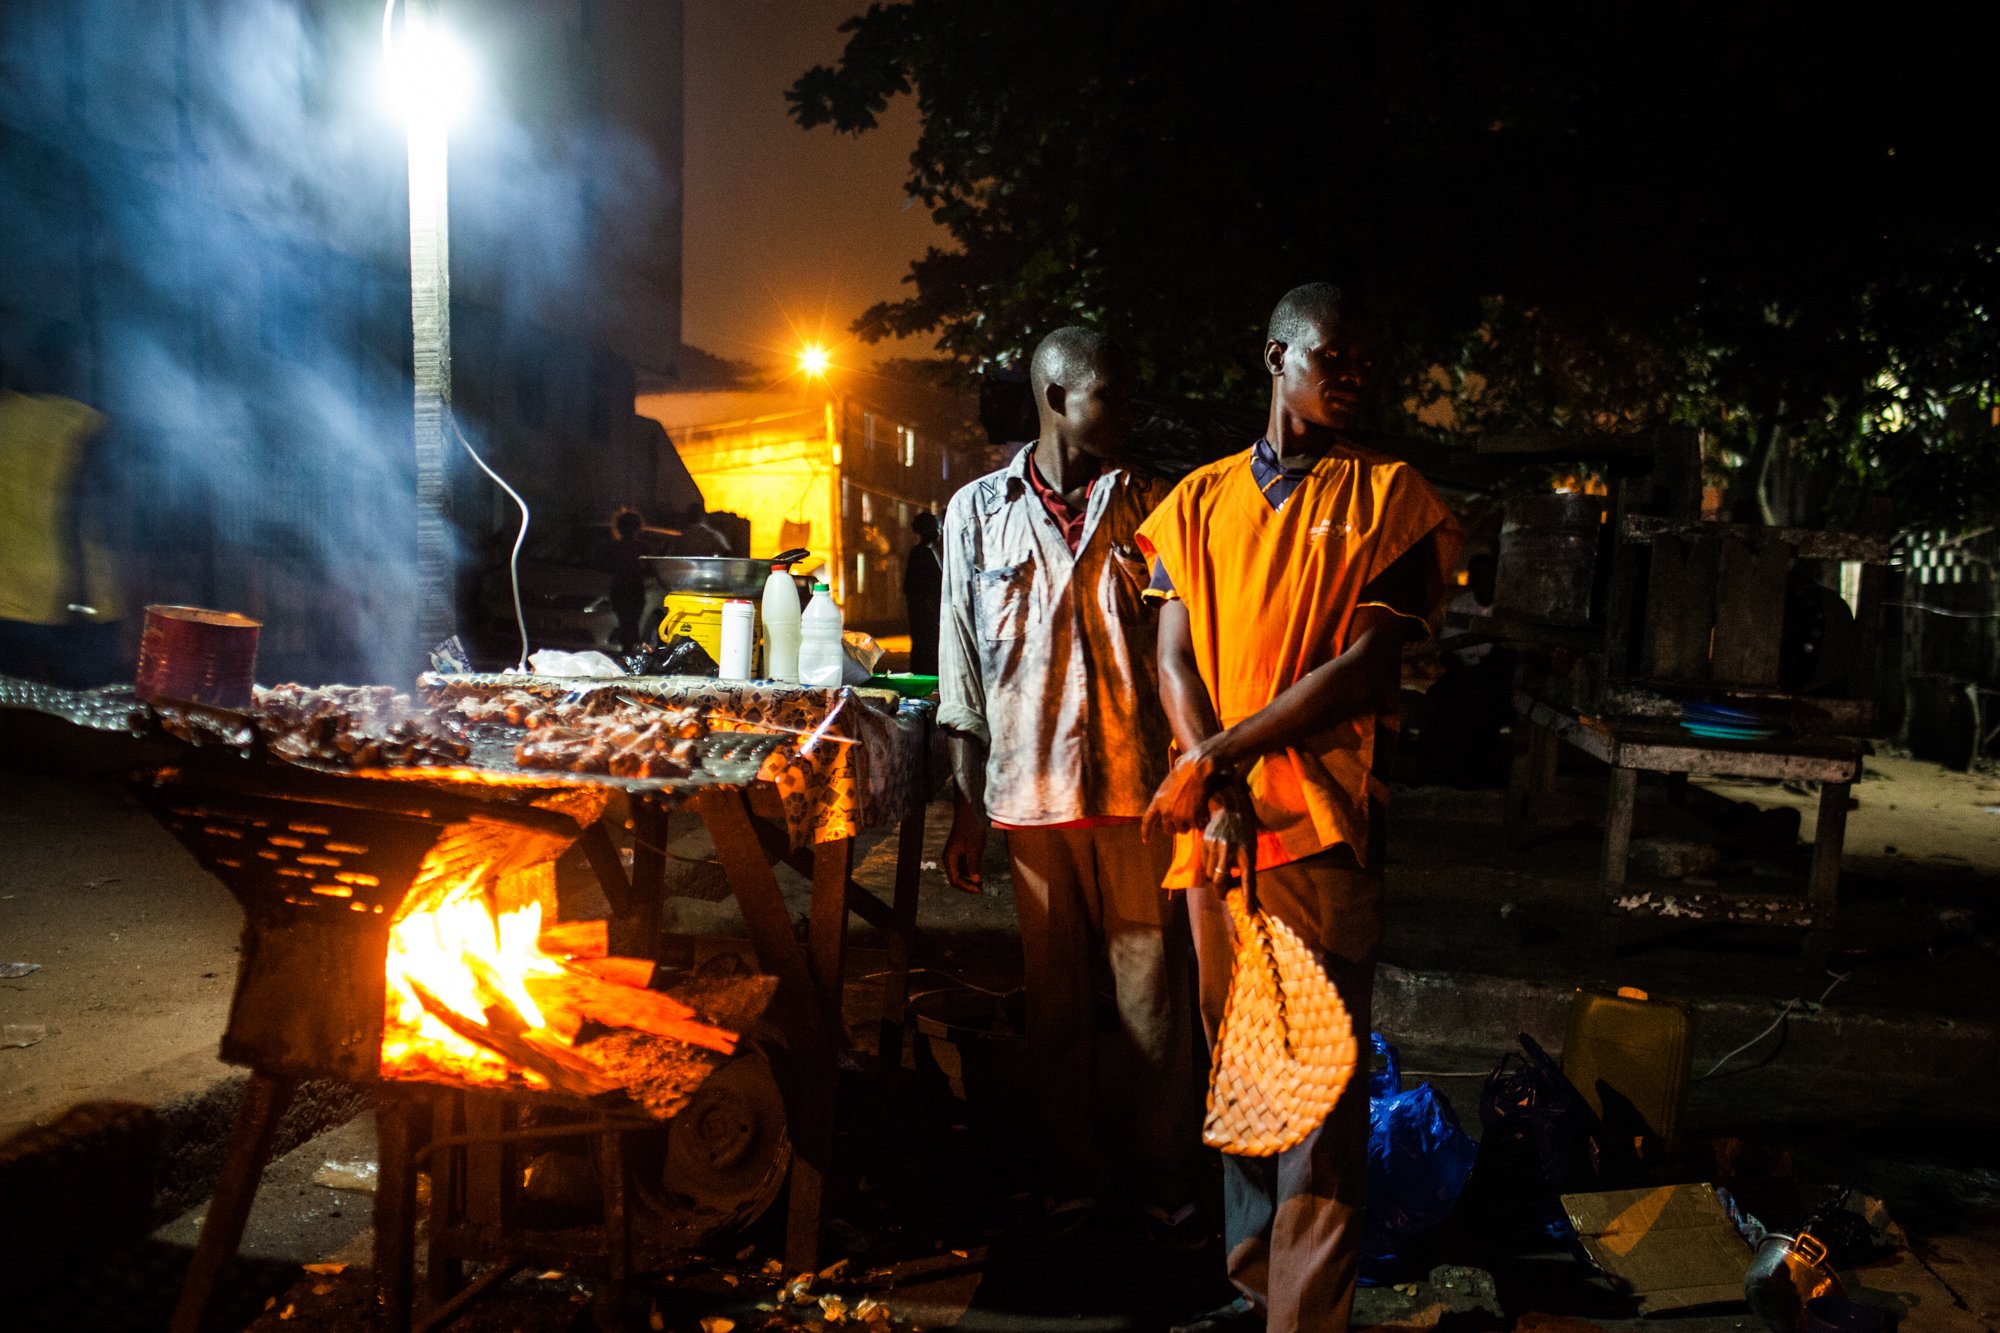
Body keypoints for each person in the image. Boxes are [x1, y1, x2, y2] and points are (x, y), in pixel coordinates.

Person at [1139, 285, 1461, 1332]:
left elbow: (1364, 668)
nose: (1353, 375)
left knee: (1317, 1086)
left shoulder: (1391, 499)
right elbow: (1172, 659)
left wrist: (1218, 757)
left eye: (1366, 360)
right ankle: (1252, 1286)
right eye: (1334, 356)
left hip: (1316, 826)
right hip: (1216, 831)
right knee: (1240, 1072)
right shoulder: (1194, 501)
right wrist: (1213, 778)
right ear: (1275, 356)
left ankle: (1304, 1316)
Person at [936, 326, 1198, 1247]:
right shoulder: (977, 511)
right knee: (1054, 1005)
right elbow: (962, 673)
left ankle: (1162, 1179)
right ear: (1055, 399)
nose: (1125, 414)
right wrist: (965, 807)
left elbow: (1186, 655)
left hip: (1138, 797)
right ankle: (1073, 1178)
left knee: (1151, 1000)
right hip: (1029, 800)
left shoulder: (1155, 504)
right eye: (1108, 397)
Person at [0, 324, 124, 687]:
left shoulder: (5, 416)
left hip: (6, 604)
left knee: (12, 712)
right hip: (73, 601)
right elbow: (76, 512)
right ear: (70, 366)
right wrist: (80, 600)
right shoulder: (86, 425)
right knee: (84, 711)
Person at [605, 507, 653, 655]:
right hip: (634, 589)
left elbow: (607, 566)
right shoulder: (642, 547)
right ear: (637, 527)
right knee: (632, 623)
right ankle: (629, 652)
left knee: (624, 622)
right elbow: (650, 569)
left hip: (619, 588)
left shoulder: (614, 547)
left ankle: (626, 651)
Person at [902, 510, 943, 673]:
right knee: (929, 644)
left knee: (921, 645)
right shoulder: (930, 553)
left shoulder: (918, 552)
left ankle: (921, 671)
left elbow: (908, 586)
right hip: (928, 609)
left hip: (920, 609)